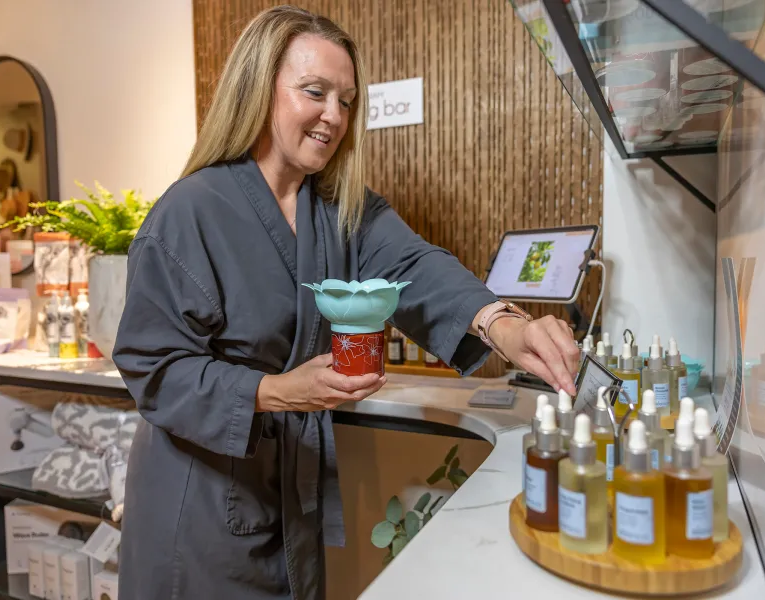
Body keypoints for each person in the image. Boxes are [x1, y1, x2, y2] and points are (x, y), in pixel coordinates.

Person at [111, 5, 579, 600]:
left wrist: (504, 324)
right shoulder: (189, 212)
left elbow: (415, 266)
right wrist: (278, 391)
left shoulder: (339, 209)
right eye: (315, 92)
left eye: (348, 101)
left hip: (286, 503)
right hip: (197, 505)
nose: (334, 116)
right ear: (260, 90)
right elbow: (153, 367)